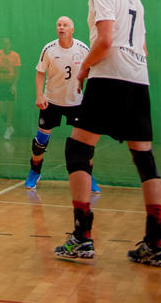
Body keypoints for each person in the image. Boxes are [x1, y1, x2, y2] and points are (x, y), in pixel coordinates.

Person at [54, 0, 161, 268]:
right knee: (144, 157)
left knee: (78, 150)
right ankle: (156, 243)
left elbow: (105, 42)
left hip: (110, 77)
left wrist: (85, 68)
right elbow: (142, 48)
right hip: (138, 78)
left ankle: (82, 237)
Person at [25, 16, 98, 192]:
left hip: (76, 102)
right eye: (59, 25)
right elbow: (40, 73)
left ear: (72, 29)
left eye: (65, 25)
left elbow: (92, 71)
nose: (61, 27)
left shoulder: (82, 49)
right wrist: (39, 95)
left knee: (85, 144)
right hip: (52, 101)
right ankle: (35, 172)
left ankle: (88, 176)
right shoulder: (49, 49)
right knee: (39, 143)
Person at [0, 36, 21, 140]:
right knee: (1, 110)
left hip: (10, 85)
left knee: (9, 109)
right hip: (0, 84)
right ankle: (10, 126)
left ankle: (8, 128)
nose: (5, 45)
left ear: (10, 44)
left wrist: (14, 86)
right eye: (4, 43)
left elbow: (17, 72)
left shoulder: (15, 56)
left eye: (7, 43)